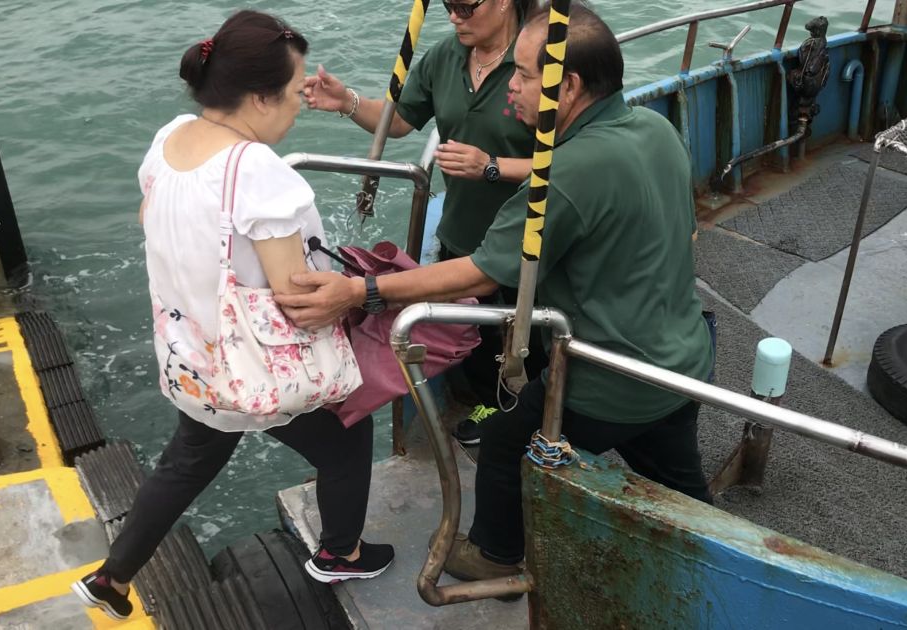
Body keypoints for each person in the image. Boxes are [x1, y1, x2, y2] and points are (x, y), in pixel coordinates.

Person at [275, 3, 714, 583]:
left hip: (609, 381)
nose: (515, 87)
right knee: (676, 475)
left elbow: (481, 274)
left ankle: (494, 555)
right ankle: (711, 551)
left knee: (506, 443)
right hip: (682, 360)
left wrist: (360, 290)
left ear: (570, 85)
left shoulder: (568, 171)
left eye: (527, 75)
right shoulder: (655, 129)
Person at [70, 12, 392, 621]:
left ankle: (112, 577)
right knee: (349, 437)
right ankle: (341, 552)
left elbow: (152, 221)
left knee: (190, 458)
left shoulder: (172, 138)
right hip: (254, 369)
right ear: (259, 97)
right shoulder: (261, 175)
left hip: (196, 356)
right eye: (296, 94)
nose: (300, 106)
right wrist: (368, 292)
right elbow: (298, 297)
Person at [303, 0, 545, 446]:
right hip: (463, 232)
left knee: (532, 334)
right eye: (448, 6)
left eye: (465, 6)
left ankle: (538, 413)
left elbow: (572, 159)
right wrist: (347, 102)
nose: (454, 16)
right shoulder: (444, 57)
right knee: (476, 335)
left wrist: (491, 166)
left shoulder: (535, 57)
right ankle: (495, 405)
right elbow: (400, 122)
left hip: (531, 235)